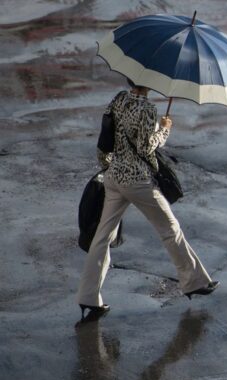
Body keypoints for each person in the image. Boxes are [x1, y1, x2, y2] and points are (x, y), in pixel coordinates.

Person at [77, 78, 218, 320]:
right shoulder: (148, 109)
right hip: (136, 181)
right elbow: (146, 147)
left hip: (114, 176)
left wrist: (107, 166)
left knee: (102, 238)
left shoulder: (119, 98)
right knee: (169, 228)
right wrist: (164, 129)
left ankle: (88, 297)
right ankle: (193, 281)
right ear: (148, 82)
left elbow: (106, 135)